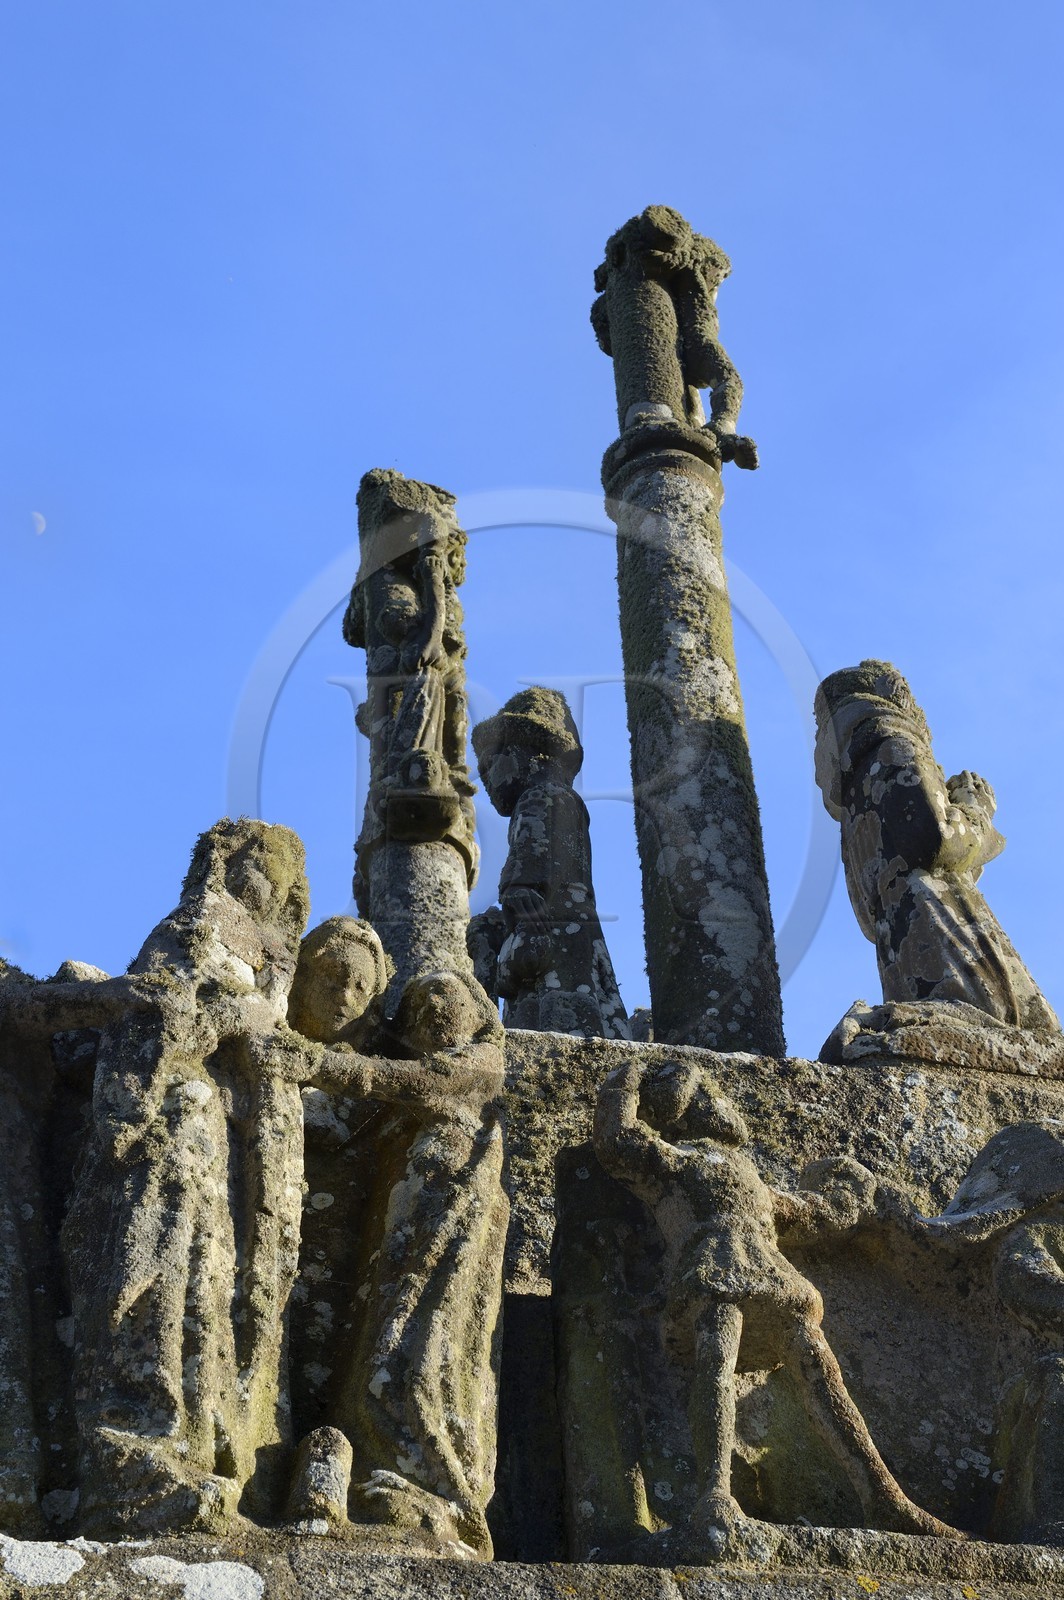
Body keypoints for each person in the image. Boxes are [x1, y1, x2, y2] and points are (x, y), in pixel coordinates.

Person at [593, 1058, 957, 1540]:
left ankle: (885, 1497)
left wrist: (850, 1191)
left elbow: (811, 1214)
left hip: (774, 1276)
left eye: (711, 1096)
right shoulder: (673, 1161)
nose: (715, 1104)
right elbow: (617, 1141)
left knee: (824, 1376)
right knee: (716, 1366)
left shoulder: (748, 1173)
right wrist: (628, 1077)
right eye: (701, 1096)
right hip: (715, 1272)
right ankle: (715, 1494)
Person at [472, 687, 629, 1039]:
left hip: (551, 917)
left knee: (554, 1000)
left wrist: (519, 884)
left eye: (492, 762)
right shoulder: (552, 796)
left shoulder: (544, 794)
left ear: (529, 752)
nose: (488, 779)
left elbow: (538, 845)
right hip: (558, 919)